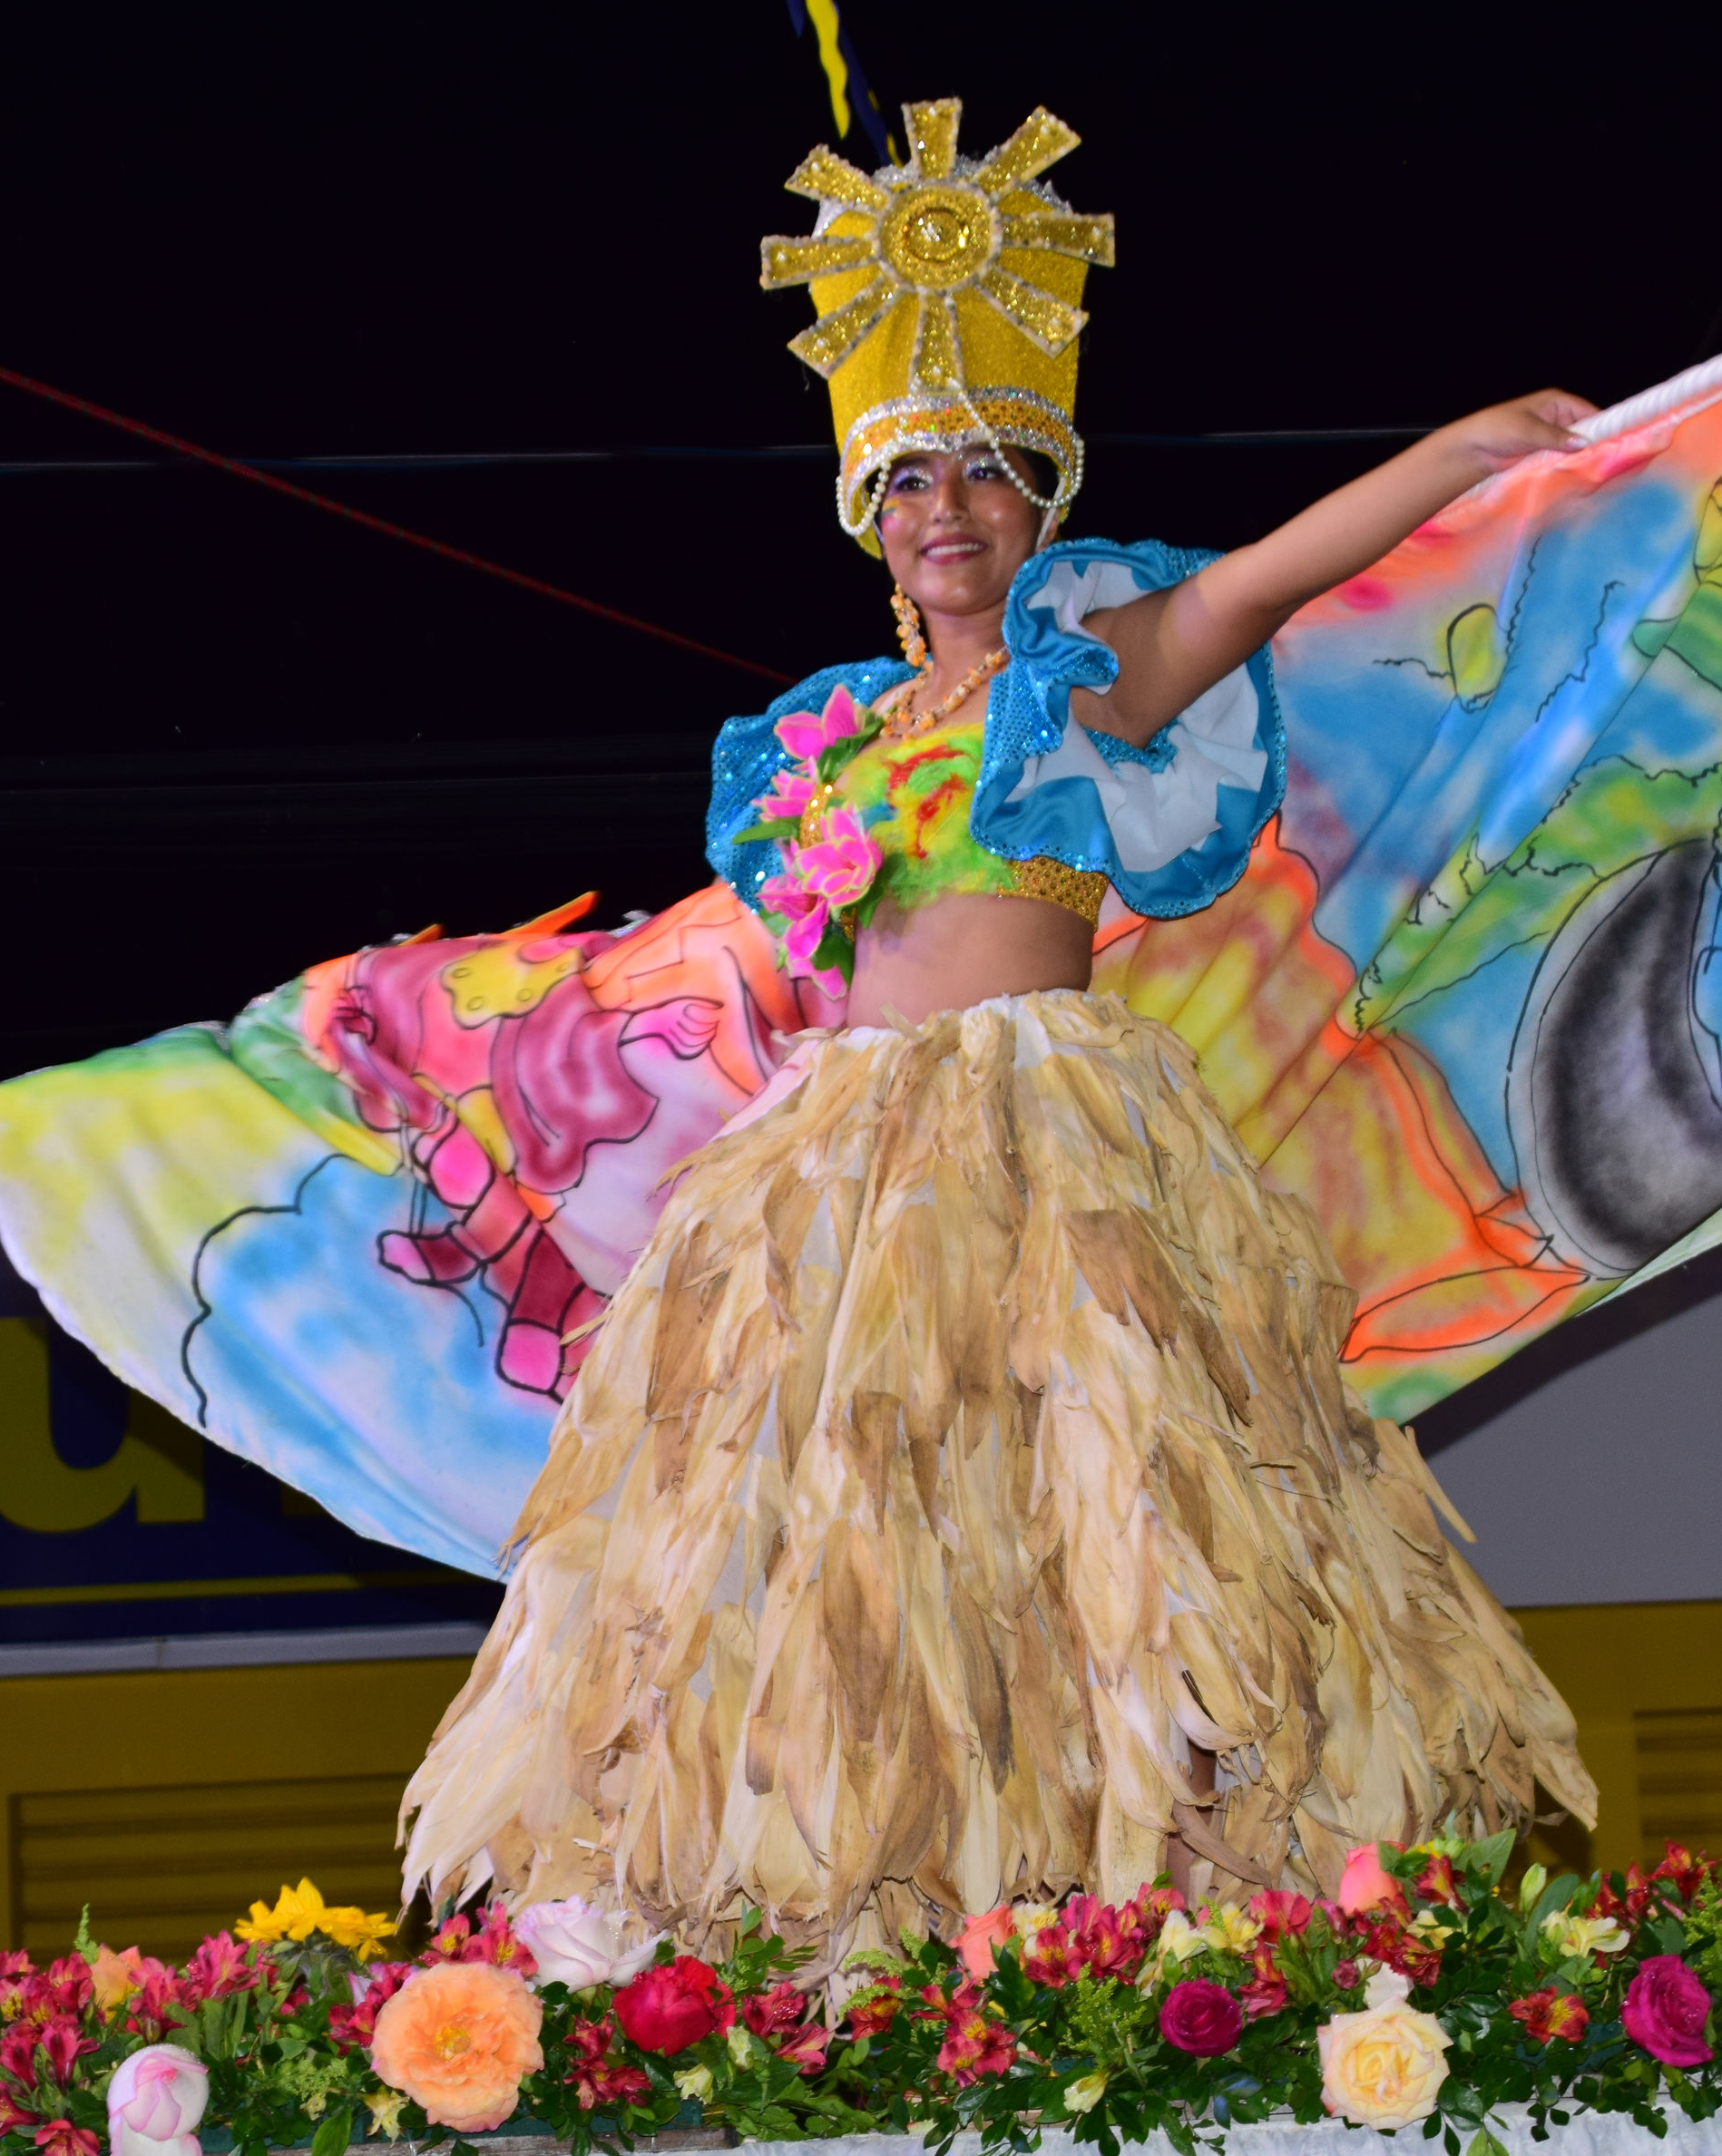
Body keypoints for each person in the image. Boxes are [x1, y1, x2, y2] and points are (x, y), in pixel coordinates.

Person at [390, 96, 1599, 1964]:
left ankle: (1153, 1917)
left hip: (1049, 1145)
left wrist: (1456, 450)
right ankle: (853, 1921)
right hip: (840, 1162)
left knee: (1106, 1509)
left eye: (981, 473)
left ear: (1043, 501)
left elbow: (1266, 580)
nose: (944, 510)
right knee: (841, 1526)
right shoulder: (822, 739)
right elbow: (757, 965)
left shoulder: (1087, 687)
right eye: (908, 481)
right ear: (869, 521)